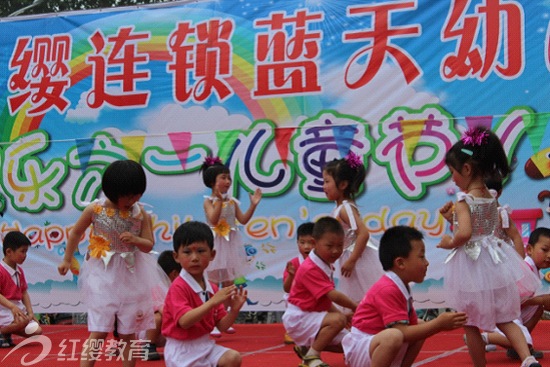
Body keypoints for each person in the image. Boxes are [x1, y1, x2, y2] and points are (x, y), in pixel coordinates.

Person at [437, 126, 541, 367]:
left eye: (452, 172)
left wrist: (448, 243)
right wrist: (451, 219)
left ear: (466, 169)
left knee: (471, 321)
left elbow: (465, 233)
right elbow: (483, 227)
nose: (452, 178)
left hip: (473, 265)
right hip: (493, 262)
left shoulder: (464, 200)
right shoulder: (490, 198)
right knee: (506, 317)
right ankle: (527, 359)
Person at [58, 159, 163, 367]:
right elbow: (76, 233)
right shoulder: (95, 209)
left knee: (128, 332)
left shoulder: (141, 213)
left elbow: (149, 244)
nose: (133, 199)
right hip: (103, 274)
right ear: (111, 192)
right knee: (98, 330)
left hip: (132, 274)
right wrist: (67, 259)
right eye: (128, 195)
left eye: (137, 194)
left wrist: (135, 240)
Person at [342, 226, 467, 367]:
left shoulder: (401, 286)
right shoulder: (388, 288)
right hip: (362, 346)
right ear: (400, 263)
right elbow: (401, 332)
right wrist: (438, 324)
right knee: (394, 336)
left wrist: (435, 325)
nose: (426, 262)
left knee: (419, 326)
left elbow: (412, 328)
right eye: (421, 256)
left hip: (374, 342)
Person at [161, 221, 247, 367]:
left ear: (212, 254)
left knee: (233, 358)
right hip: (182, 349)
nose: (194, 258)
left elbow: (222, 326)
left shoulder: (211, 287)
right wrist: (212, 302)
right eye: (187, 252)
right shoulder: (178, 286)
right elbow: (184, 321)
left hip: (206, 344)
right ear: (176, 256)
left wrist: (234, 310)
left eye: (201, 251)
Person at [282, 216, 357, 367]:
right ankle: (311, 356)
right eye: (329, 246)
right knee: (338, 321)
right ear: (315, 244)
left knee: (352, 344)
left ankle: (306, 348)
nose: (336, 251)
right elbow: (332, 295)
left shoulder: (324, 264)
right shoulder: (311, 268)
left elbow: (325, 300)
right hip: (300, 318)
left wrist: (341, 315)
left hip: (312, 316)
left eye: (340, 245)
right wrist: (356, 307)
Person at [200, 156, 261, 336]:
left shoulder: (232, 201)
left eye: (228, 178)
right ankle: (209, 319)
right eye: (223, 178)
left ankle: (223, 318)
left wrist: (253, 205)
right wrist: (219, 201)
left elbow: (243, 220)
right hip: (215, 244)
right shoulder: (208, 201)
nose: (227, 181)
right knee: (211, 283)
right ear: (213, 182)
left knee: (228, 283)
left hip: (230, 243)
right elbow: (212, 219)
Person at [323, 152, 384, 305]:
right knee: (358, 299)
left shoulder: (345, 208)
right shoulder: (340, 208)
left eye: (327, 181)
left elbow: (363, 233)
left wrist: (352, 260)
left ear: (343, 185)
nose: (324, 186)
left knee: (366, 297)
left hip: (358, 260)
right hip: (350, 257)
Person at [482, 227, 550, 359]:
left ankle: (514, 348)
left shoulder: (533, 269)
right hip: (502, 315)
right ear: (529, 249)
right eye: (545, 250)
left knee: (538, 309)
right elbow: (514, 300)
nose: (549, 255)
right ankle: (484, 338)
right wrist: (541, 300)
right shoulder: (526, 268)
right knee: (525, 341)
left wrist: (540, 302)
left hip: (508, 312)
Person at [138, 250, 182, 361]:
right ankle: (149, 346)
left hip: (173, 328)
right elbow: (160, 309)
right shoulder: (157, 287)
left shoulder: (182, 288)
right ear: (175, 273)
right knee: (157, 317)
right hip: (152, 332)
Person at [0, 231, 42, 347]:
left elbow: (24, 292)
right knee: (23, 322)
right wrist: (12, 307)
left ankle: (6, 332)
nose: (25, 255)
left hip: (16, 310)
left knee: (37, 331)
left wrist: (30, 312)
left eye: (26, 252)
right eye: (22, 251)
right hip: (4, 309)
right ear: (9, 252)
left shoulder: (19, 271)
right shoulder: (1, 270)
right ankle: (3, 331)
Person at [282, 222, 315, 344]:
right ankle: (292, 330)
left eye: (310, 242)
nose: (306, 247)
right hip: (298, 302)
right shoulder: (294, 263)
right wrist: (291, 276)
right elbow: (286, 289)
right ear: (297, 243)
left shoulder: (324, 263)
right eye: (302, 242)